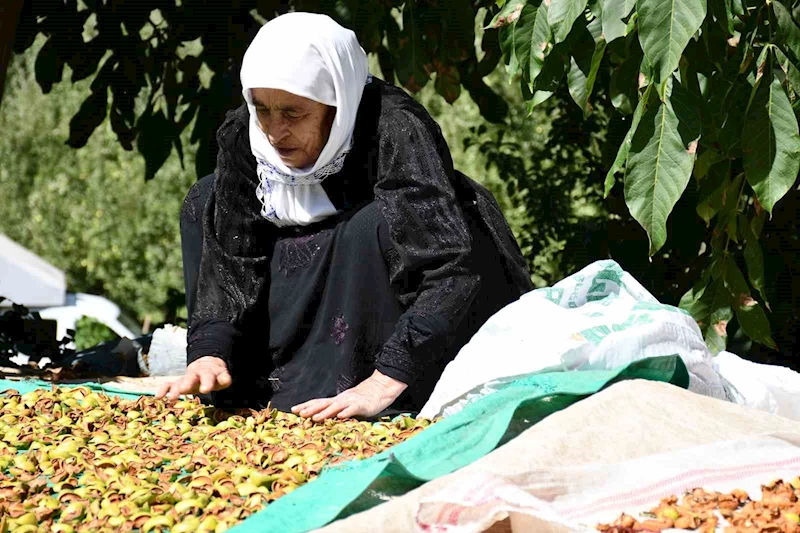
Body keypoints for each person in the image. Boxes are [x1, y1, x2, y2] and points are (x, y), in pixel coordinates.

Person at [156, 12, 532, 420]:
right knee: (204, 198)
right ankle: (243, 380)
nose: (274, 132)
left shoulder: (393, 128)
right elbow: (232, 257)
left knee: (372, 224)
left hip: (379, 299)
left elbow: (451, 270)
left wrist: (383, 380)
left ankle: (370, 390)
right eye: (262, 109)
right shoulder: (245, 135)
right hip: (298, 284)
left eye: (293, 113)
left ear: (336, 102)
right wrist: (210, 350)